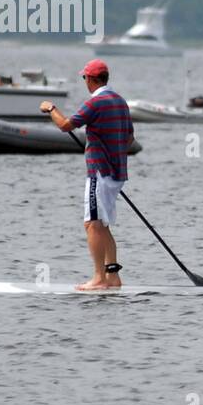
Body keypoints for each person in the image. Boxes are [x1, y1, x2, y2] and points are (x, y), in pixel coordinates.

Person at [40, 59, 134, 290]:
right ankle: (112, 277)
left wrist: (51, 109)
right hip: (117, 172)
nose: (85, 82)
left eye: (85, 78)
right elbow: (129, 138)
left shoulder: (96, 102)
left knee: (91, 224)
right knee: (102, 224)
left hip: (99, 172)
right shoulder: (120, 101)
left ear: (91, 79)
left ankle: (98, 278)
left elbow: (65, 125)